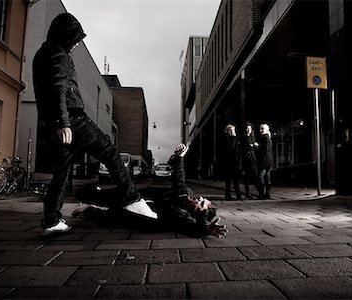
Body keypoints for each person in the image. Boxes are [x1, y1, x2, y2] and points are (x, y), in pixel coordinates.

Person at [33, 12, 157, 237]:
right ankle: (132, 199)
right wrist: (64, 122)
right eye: (76, 39)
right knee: (109, 151)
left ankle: (51, 220)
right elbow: (59, 89)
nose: (77, 44)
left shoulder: (43, 53)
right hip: (71, 119)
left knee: (62, 171)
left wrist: (58, 122)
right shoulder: (58, 55)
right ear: (65, 36)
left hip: (54, 121)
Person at [72, 143, 228, 238]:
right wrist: (180, 157)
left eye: (201, 204)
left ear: (195, 213)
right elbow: (179, 178)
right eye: (202, 198)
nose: (199, 198)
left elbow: (188, 227)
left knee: (112, 217)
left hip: (135, 212)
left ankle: (87, 210)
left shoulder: (181, 215)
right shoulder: (185, 193)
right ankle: (90, 194)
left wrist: (206, 229)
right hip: (135, 195)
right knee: (89, 195)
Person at [223, 124, 242, 200]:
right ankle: (228, 195)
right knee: (228, 180)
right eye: (231, 130)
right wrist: (234, 138)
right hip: (229, 162)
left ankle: (238, 195)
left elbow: (239, 150)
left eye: (233, 130)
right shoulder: (226, 138)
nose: (232, 132)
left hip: (235, 162)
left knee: (236, 180)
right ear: (227, 131)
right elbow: (231, 147)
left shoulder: (236, 138)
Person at [240, 122, 259, 199]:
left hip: (253, 159)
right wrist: (251, 145)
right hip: (246, 159)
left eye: (250, 129)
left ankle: (261, 192)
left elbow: (256, 146)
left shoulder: (252, 137)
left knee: (255, 176)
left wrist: (254, 145)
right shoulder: (243, 137)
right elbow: (243, 148)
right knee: (246, 177)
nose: (248, 130)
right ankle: (247, 193)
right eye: (247, 129)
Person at [257, 123, 274, 199]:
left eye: (262, 129)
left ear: (266, 130)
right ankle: (267, 194)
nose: (260, 130)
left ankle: (261, 194)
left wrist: (257, 147)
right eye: (260, 129)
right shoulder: (268, 138)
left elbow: (265, 151)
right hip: (269, 161)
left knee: (260, 177)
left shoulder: (265, 138)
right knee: (267, 178)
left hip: (265, 161)